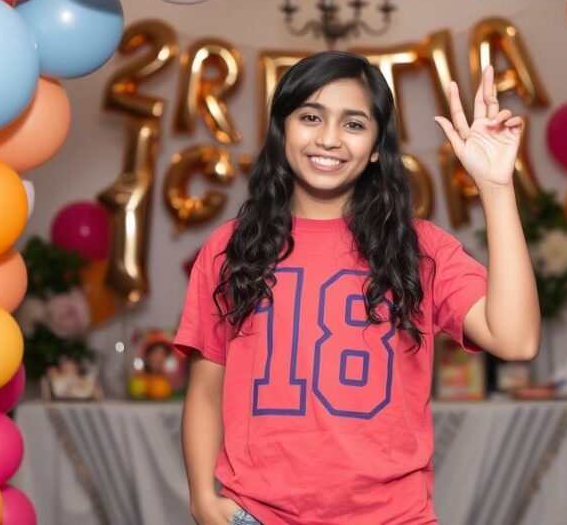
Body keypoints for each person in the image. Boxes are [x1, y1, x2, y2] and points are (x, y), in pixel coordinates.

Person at [174, 51, 540, 525]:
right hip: (256, 515)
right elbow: (207, 389)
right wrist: (202, 496)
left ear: (374, 148)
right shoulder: (229, 248)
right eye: (310, 117)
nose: (328, 139)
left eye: (353, 124)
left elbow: (517, 339)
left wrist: (496, 189)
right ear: (282, 130)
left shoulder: (420, 247)